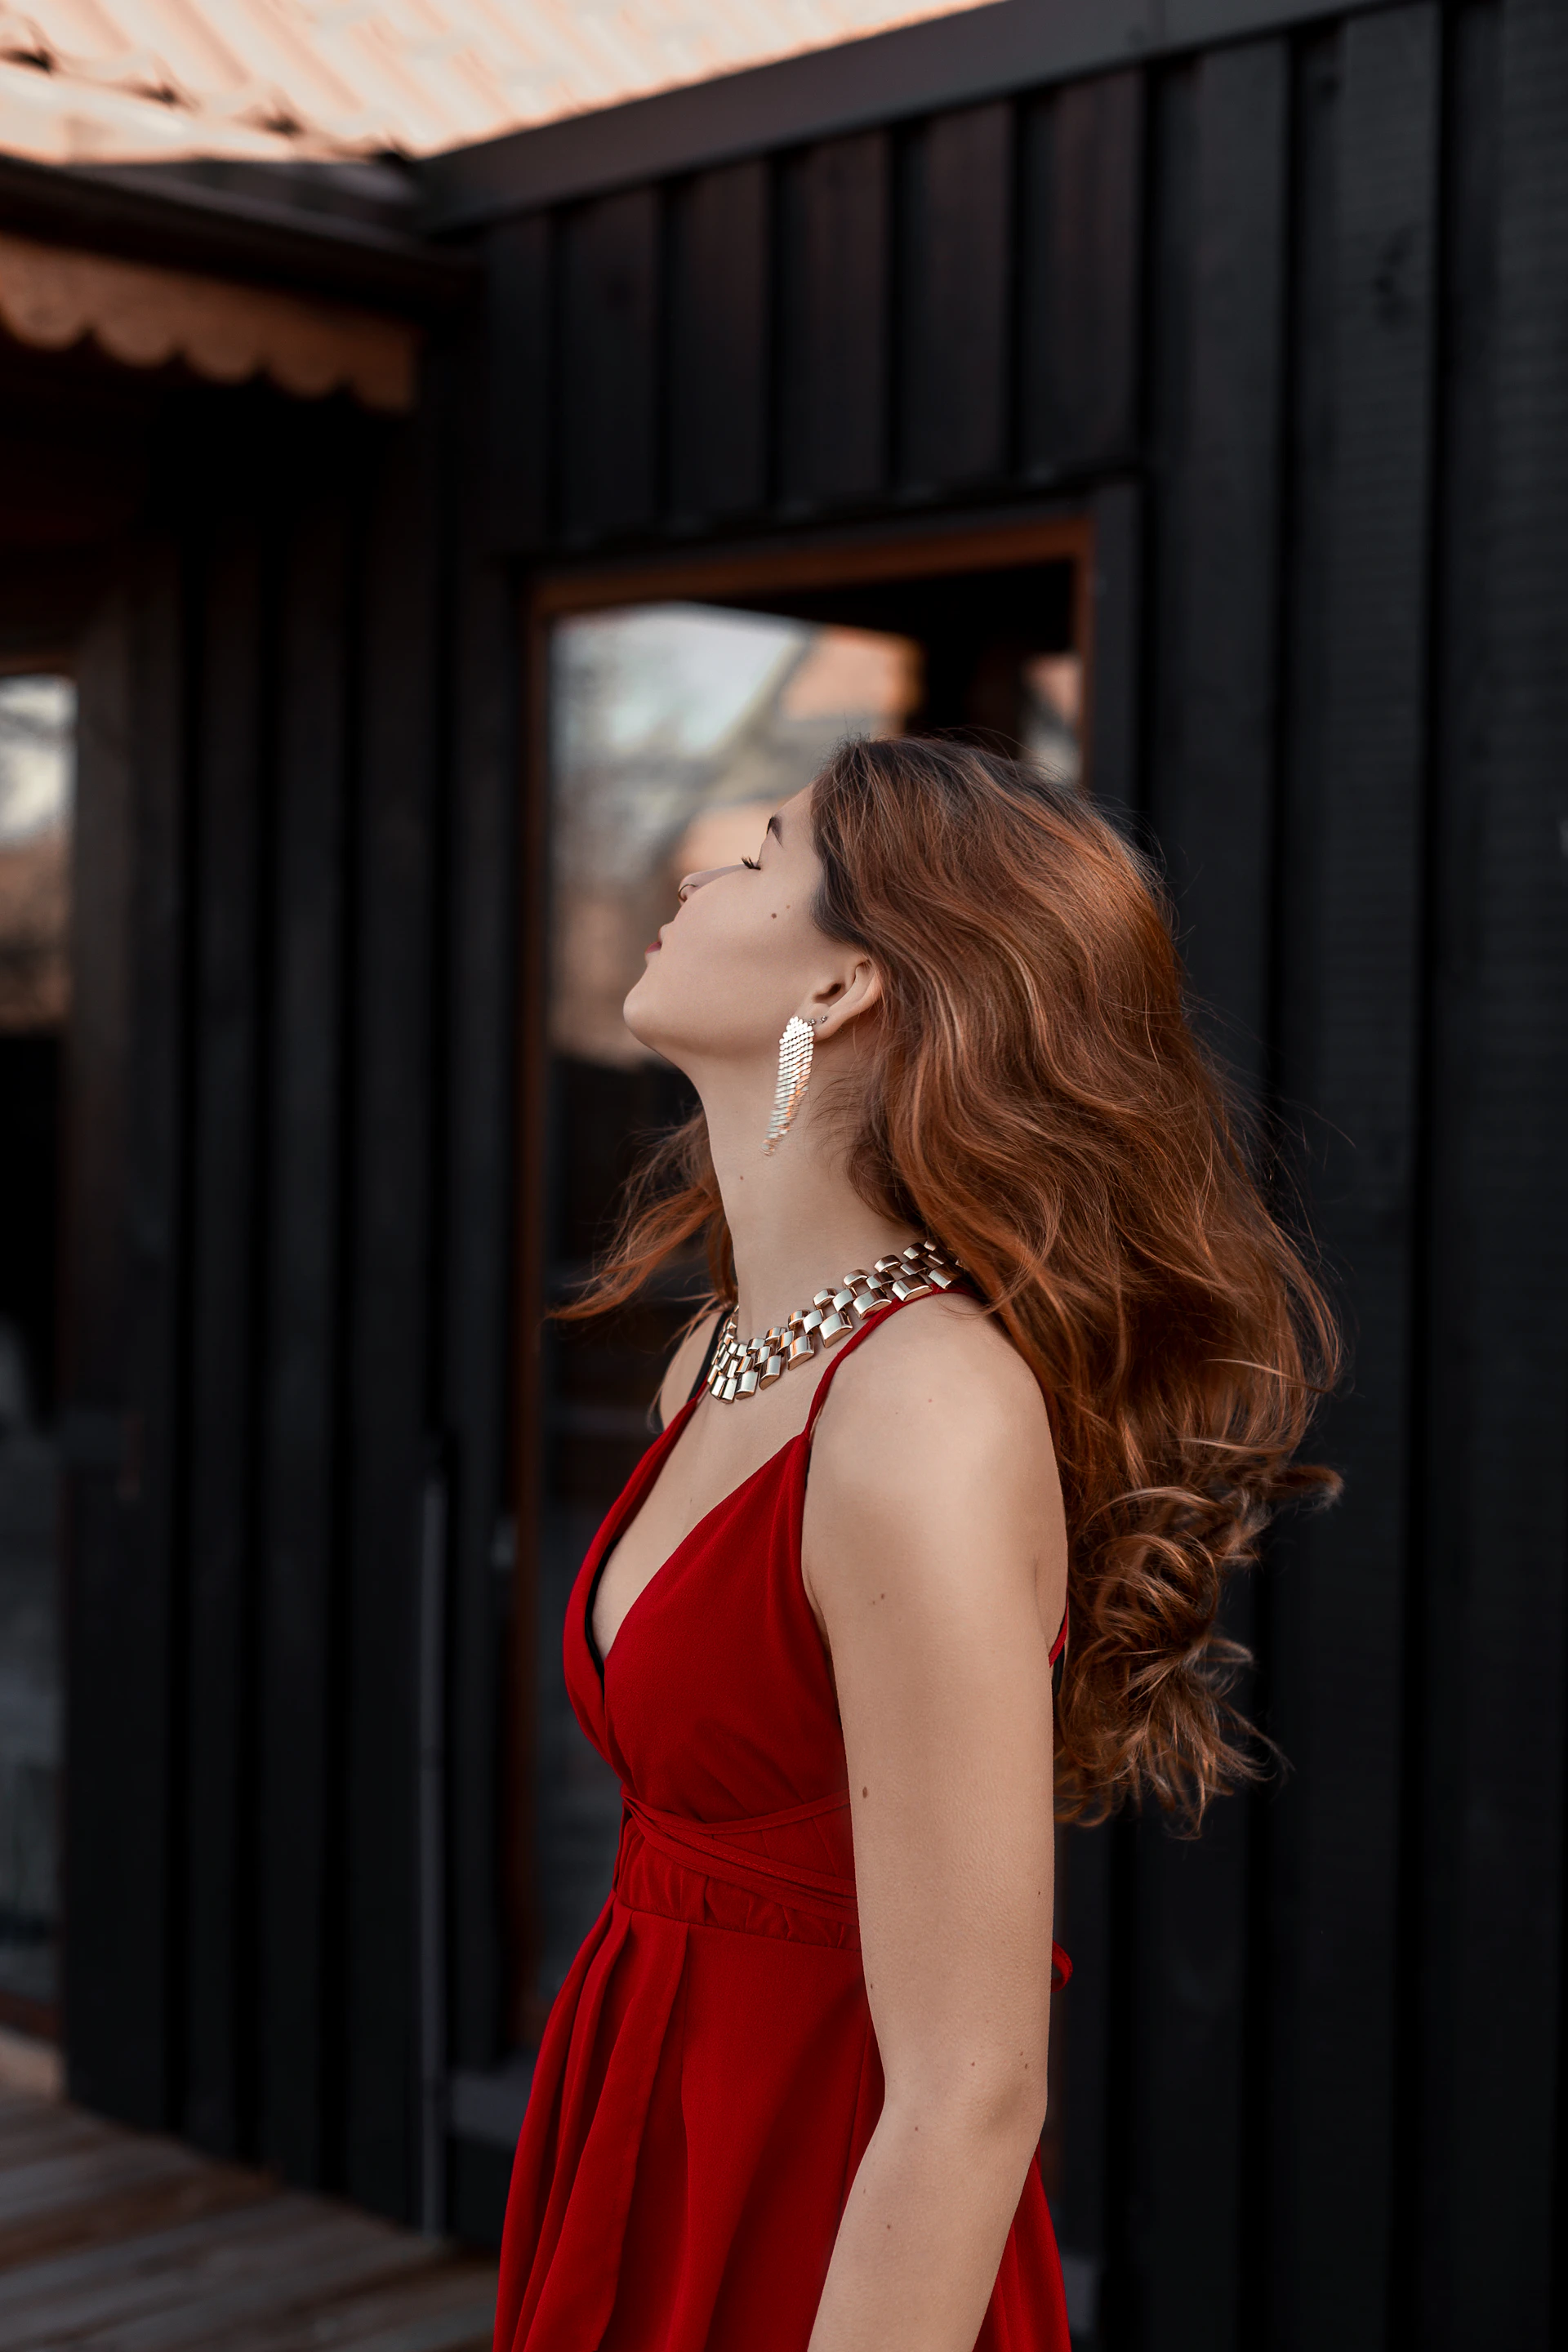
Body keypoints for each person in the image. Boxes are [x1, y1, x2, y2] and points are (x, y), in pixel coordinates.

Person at [493, 736, 1337, 2352]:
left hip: (838, 2226)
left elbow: (970, 2089)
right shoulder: (722, 1351)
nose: (691, 872)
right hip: (644, 2123)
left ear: (846, 991)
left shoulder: (927, 1413)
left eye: (754, 860)